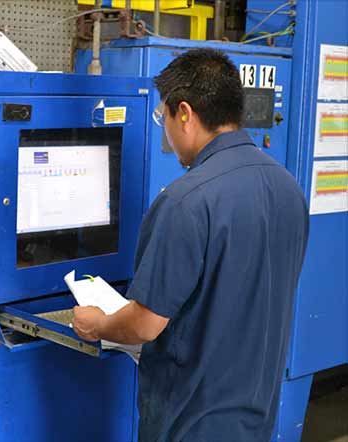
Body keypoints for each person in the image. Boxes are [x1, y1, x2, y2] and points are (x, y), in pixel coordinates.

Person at [73, 48, 309, 442]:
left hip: (191, 422)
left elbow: (146, 324)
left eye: (162, 115)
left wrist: (99, 324)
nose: (164, 129)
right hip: (256, 415)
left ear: (184, 113)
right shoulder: (288, 188)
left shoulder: (185, 201)